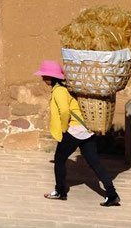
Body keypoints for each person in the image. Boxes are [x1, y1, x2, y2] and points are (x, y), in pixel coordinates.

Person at [33, 60, 121, 207]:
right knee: (95, 163)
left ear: (52, 77)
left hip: (74, 129)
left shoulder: (59, 91)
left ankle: (60, 191)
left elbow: (65, 111)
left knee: (59, 159)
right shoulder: (68, 88)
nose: (43, 79)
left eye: (45, 76)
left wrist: (63, 129)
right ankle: (112, 194)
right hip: (87, 129)